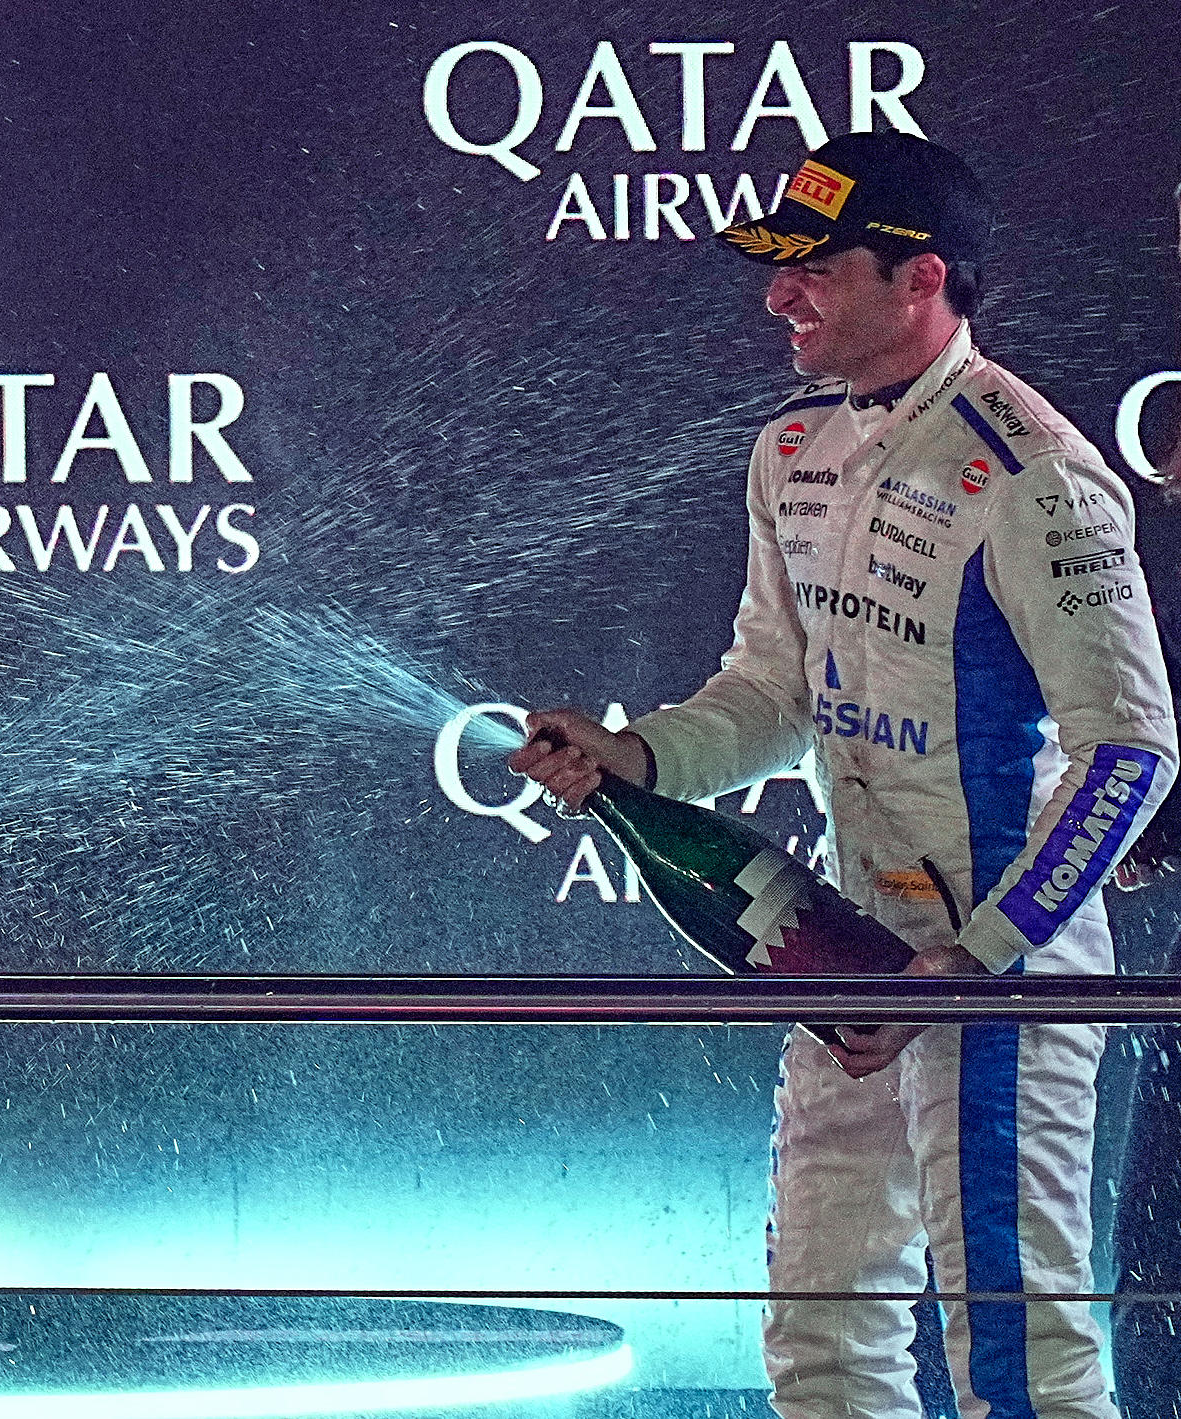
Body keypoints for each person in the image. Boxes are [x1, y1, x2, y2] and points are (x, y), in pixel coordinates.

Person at [509, 132, 1175, 1419]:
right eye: (777, 267)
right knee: (818, 1347)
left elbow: (1130, 752)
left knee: (1020, 1364)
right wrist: (634, 756)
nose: (779, 295)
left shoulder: (1035, 475)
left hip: (1000, 973)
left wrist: (978, 962)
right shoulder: (789, 451)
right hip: (853, 950)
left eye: (813, 267)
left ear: (918, 278)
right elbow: (770, 693)